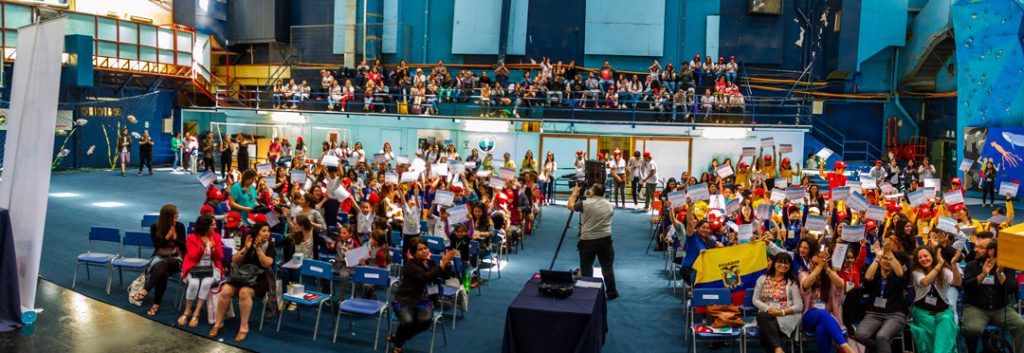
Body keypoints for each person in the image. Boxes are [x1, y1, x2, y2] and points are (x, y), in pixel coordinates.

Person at [388, 237, 459, 352]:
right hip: (406, 299)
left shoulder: (431, 263)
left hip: (425, 300)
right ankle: (398, 345)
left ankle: (399, 338)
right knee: (407, 322)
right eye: (420, 249)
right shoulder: (410, 265)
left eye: (425, 248)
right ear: (414, 253)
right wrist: (443, 263)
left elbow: (445, 276)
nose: (424, 251)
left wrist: (448, 263)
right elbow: (426, 277)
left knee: (425, 322)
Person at [961, 239, 1024, 353]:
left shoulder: (1006, 266)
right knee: (972, 329)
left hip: (1000, 309)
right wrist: (983, 274)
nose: (975, 250)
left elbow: (1010, 290)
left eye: (980, 247)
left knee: (1021, 325)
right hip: (976, 308)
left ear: (991, 251)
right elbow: (966, 286)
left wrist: (1000, 273)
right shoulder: (972, 265)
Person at [131, 204, 187, 316]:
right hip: (160, 257)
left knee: (167, 262)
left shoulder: (180, 226)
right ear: (168, 216)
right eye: (176, 214)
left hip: (176, 258)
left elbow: (184, 247)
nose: (178, 215)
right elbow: (157, 245)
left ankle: (145, 291)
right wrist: (167, 236)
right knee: (163, 273)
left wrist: (175, 239)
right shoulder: (155, 227)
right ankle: (156, 304)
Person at [854, 240, 908, 353]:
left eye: (890, 259)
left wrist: (889, 253)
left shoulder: (897, 276)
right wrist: (878, 258)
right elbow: (868, 277)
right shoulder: (875, 274)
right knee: (860, 335)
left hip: (895, 315)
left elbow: (900, 273)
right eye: (885, 259)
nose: (887, 262)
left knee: (882, 336)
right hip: (874, 314)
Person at [567, 182, 618, 300]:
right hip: (605, 240)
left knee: (586, 267)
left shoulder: (585, 203)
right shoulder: (610, 205)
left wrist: (574, 194)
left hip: (587, 240)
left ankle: (588, 291)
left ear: (593, 192)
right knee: (607, 267)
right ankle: (611, 292)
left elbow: (570, 206)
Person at [909, 246, 961, 353]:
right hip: (923, 312)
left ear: (932, 256)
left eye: (926, 256)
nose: (924, 259)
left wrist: (954, 264)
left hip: (942, 311)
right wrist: (939, 264)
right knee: (936, 329)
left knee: (946, 320)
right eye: (920, 257)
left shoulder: (944, 271)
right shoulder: (916, 272)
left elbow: (957, 283)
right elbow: (925, 282)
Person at [179, 214, 224, 329]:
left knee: (206, 283)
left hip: (211, 267)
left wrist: (213, 249)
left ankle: (196, 313)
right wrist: (202, 247)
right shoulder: (192, 237)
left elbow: (220, 257)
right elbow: (193, 257)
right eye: (212, 225)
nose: (215, 227)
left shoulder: (217, 237)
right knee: (193, 283)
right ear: (205, 226)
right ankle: (187, 311)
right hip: (194, 266)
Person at [753, 252, 803, 353]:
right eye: (780, 262)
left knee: (765, 328)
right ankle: (778, 350)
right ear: (774, 263)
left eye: (787, 263)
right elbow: (755, 300)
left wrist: (782, 312)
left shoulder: (792, 282)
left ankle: (777, 350)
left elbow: (799, 306)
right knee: (763, 316)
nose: (783, 265)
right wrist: (769, 309)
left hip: (785, 317)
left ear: (790, 266)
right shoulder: (762, 279)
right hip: (767, 315)